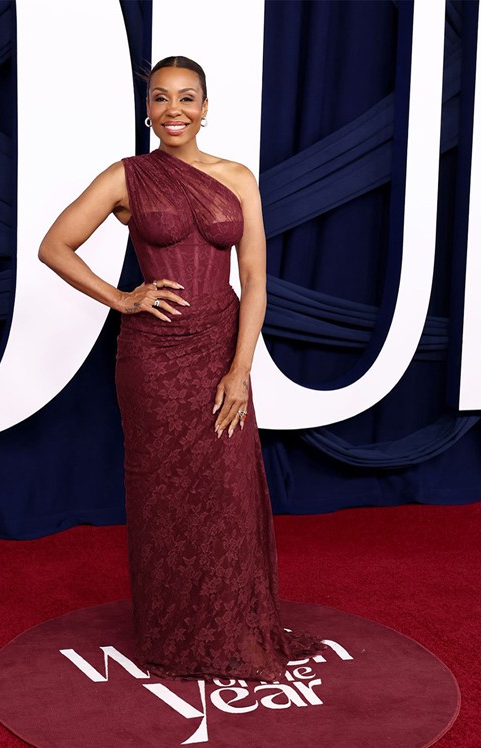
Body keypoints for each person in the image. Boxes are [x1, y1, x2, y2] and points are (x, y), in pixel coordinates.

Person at [38, 55, 326, 682]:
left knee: (226, 493)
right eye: (162, 98)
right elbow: (54, 245)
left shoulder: (237, 177)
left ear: (205, 108)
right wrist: (122, 298)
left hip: (221, 348)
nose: (174, 110)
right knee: (163, 496)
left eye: (187, 98)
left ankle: (230, 626)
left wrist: (240, 369)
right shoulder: (127, 176)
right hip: (153, 360)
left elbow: (254, 279)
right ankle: (174, 634)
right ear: (148, 110)